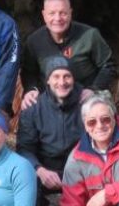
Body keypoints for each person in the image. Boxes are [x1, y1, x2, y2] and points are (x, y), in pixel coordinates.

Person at [21, 0, 115, 107]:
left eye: (63, 13)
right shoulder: (34, 41)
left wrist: (93, 89)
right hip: (51, 100)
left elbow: (108, 65)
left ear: (70, 13)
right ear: (44, 15)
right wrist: (31, 89)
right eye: (52, 13)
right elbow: (28, 72)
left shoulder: (90, 35)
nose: (58, 18)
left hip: (85, 97)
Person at [16, 56, 85, 195]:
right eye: (56, 77)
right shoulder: (33, 108)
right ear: (48, 80)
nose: (62, 82)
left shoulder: (87, 104)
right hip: (46, 172)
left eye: (67, 76)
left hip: (82, 172)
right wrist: (39, 170)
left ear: (73, 79)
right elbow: (24, 148)